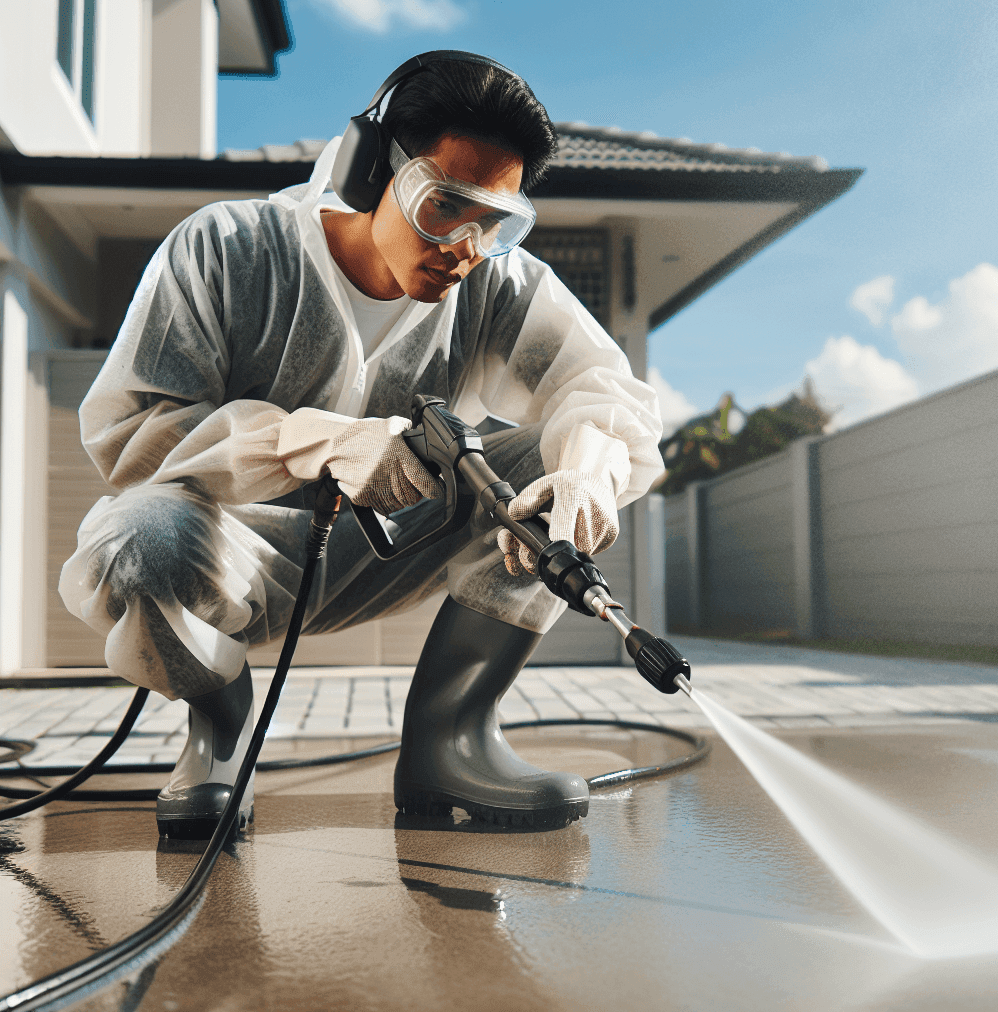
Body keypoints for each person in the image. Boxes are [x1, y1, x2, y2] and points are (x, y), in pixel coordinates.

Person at [59, 53, 663, 837]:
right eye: (445, 205)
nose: (466, 246)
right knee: (133, 540)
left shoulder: (495, 285)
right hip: (227, 547)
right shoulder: (227, 247)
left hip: (396, 543)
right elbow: (132, 433)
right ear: (372, 166)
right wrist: (315, 442)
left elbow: (607, 396)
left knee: (557, 464)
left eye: (495, 222)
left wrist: (584, 477)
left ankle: (451, 741)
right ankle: (221, 727)